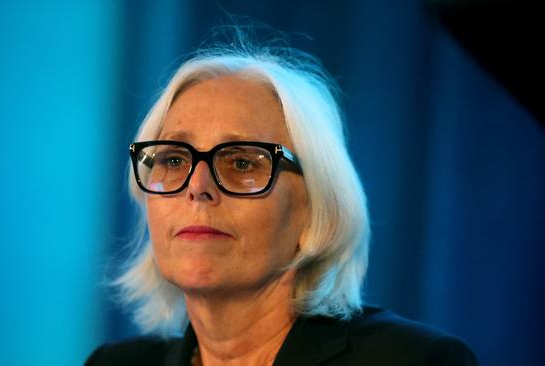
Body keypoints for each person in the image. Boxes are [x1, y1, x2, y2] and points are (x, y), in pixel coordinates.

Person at [86, 35, 478, 366]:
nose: (197, 185)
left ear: (317, 207)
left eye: (241, 162)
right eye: (173, 159)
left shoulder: (417, 360)